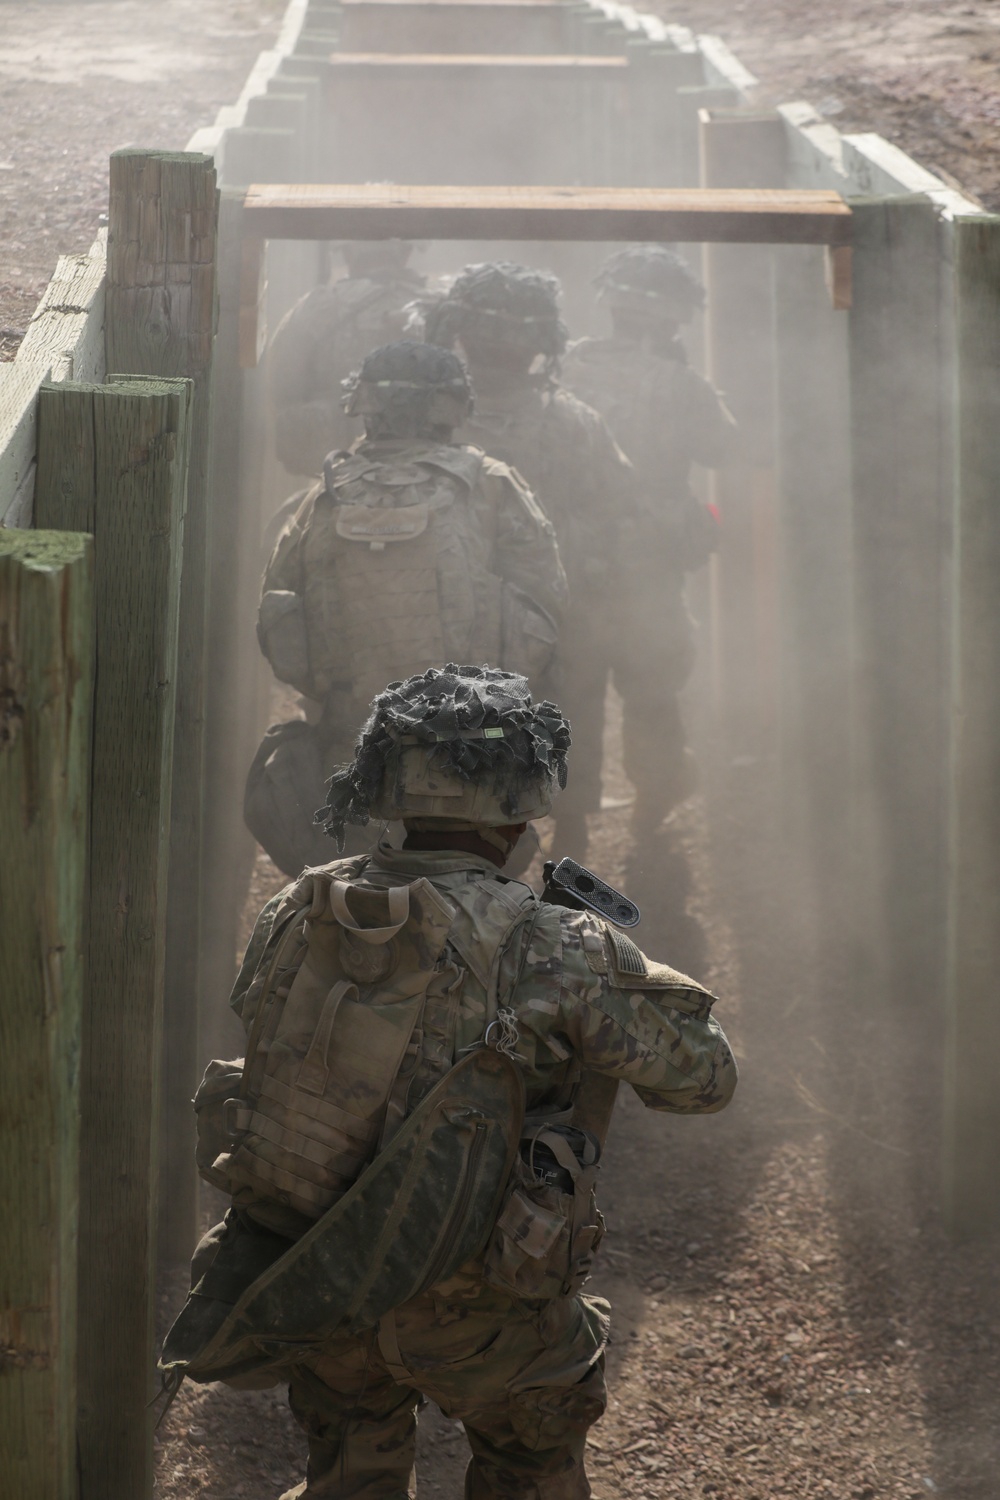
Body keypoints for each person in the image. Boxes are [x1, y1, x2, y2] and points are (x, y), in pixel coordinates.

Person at [162, 663, 738, 1499]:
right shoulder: (555, 944)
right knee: (531, 1459)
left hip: (324, 1283)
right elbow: (705, 1077)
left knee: (350, 1471)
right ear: (519, 810)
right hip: (487, 1306)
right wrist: (613, 962)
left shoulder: (295, 910)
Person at [249, 341, 566, 873]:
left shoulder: (322, 494)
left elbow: (279, 619)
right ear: (451, 407)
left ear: (366, 406)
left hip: (349, 737)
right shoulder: (491, 484)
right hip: (473, 742)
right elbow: (546, 613)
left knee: (353, 904)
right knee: (473, 907)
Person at [424, 262, 635, 859]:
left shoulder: (437, 420)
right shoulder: (574, 419)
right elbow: (620, 502)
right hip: (559, 606)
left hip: (457, 608)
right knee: (570, 712)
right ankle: (571, 836)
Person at [561, 244, 738, 840]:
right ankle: (652, 804)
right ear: (670, 319)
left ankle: (570, 818)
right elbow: (722, 448)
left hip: (570, 564)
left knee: (570, 694)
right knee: (653, 693)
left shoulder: (567, 367)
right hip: (648, 568)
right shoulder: (682, 384)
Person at [268, 240, 426, 478]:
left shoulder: (316, 306)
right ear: (406, 253)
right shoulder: (431, 307)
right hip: (417, 470)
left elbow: (282, 385)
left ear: (348, 253)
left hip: (330, 471)